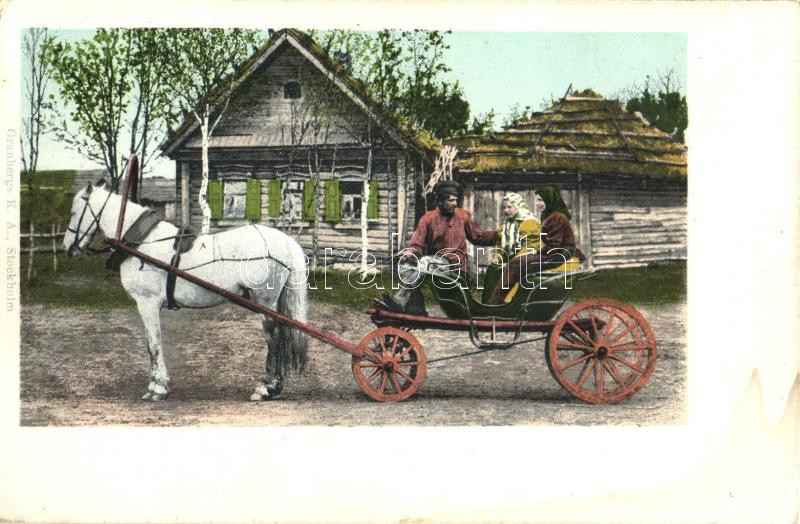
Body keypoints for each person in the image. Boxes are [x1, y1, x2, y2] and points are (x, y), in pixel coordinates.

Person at [381, 180, 498, 315]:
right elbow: (417, 244)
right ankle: (416, 307)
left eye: (456, 200)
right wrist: (408, 253)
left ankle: (400, 300)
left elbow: (478, 236)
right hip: (436, 267)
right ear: (440, 202)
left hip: (457, 268)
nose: (454, 203)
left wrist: (499, 234)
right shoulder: (428, 219)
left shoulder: (463, 216)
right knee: (406, 266)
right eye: (450, 200)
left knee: (425, 261)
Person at [487, 185, 585, 305]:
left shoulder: (557, 217)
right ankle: (509, 301)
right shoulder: (550, 216)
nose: (538, 203)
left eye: (541, 200)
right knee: (518, 262)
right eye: (537, 200)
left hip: (558, 254)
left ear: (549, 200)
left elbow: (553, 245)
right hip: (555, 252)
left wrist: (536, 252)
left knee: (517, 264)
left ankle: (497, 302)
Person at [487, 192, 542, 297]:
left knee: (512, 270)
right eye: (504, 208)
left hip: (528, 260)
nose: (506, 210)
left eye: (509, 207)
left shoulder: (529, 223)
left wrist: (514, 260)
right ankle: (489, 302)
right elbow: (503, 246)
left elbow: (531, 246)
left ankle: (503, 300)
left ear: (518, 206)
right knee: (492, 269)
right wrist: (499, 257)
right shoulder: (508, 225)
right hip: (513, 260)